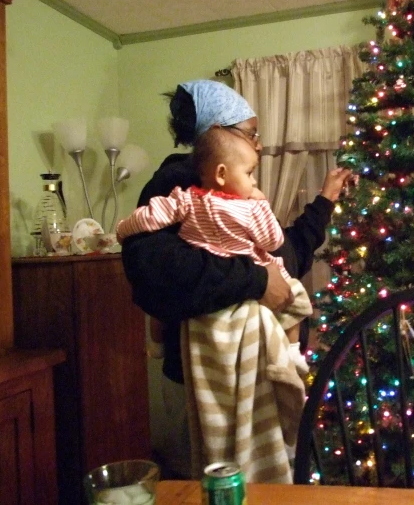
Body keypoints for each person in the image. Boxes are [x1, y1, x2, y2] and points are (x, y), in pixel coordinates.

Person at [120, 79, 352, 481]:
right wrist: (257, 280)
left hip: (251, 377)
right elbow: (153, 269)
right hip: (206, 379)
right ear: (216, 135)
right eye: (251, 133)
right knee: (209, 484)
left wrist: (325, 200)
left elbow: (286, 254)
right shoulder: (180, 184)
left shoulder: (238, 196)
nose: (259, 145)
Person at [116, 125, 316, 372]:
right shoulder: (248, 208)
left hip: (221, 270)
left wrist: (123, 229)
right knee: (295, 297)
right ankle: (292, 351)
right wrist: (262, 205)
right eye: (249, 173)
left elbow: (150, 216)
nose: (253, 182)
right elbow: (273, 241)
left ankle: (156, 344)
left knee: (156, 316)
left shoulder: (186, 198)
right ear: (222, 173)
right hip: (241, 270)